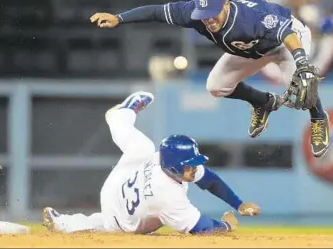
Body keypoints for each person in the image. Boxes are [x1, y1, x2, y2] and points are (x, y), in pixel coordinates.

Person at [90, 0, 330, 158]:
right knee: (215, 86)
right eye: (203, 15)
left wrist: (302, 62)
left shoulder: (250, 16)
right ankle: (263, 102)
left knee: (300, 84)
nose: (209, 20)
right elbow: (156, 11)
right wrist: (119, 18)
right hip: (250, 50)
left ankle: (319, 118)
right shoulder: (195, 13)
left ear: (226, 3)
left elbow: (286, 33)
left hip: (285, 41)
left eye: (213, 13)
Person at [43, 91, 260, 235]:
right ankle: (69, 224)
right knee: (136, 219)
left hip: (118, 185)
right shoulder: (167, 195)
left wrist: (238, 204)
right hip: (120, 221)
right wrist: (227, 226)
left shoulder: (163, 159)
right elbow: (201, 228)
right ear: (173, 167)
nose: (194, 167)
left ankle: (121, 115)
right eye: (189, 164)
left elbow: (210, 180)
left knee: (142, 148)